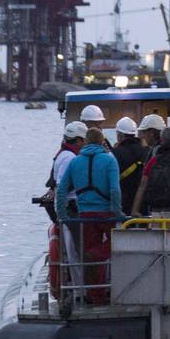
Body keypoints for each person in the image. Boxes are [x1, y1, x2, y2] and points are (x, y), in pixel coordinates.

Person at [55, 127, 122, 309]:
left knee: (90, 260)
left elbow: (61, 191)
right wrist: (118, 213)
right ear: (102, 142)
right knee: (117, 242)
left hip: (84, 216)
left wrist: (62, 216)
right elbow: (115, 190)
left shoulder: (75, 162)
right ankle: (100, 254)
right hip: (106, 214)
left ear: (85, 142)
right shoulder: (109, 160)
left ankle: (96, 296)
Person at [112, 116, 148, 216]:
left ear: (120, 135)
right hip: (143, 204)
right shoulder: (146, 151)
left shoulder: (116, 153)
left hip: (123, 203)